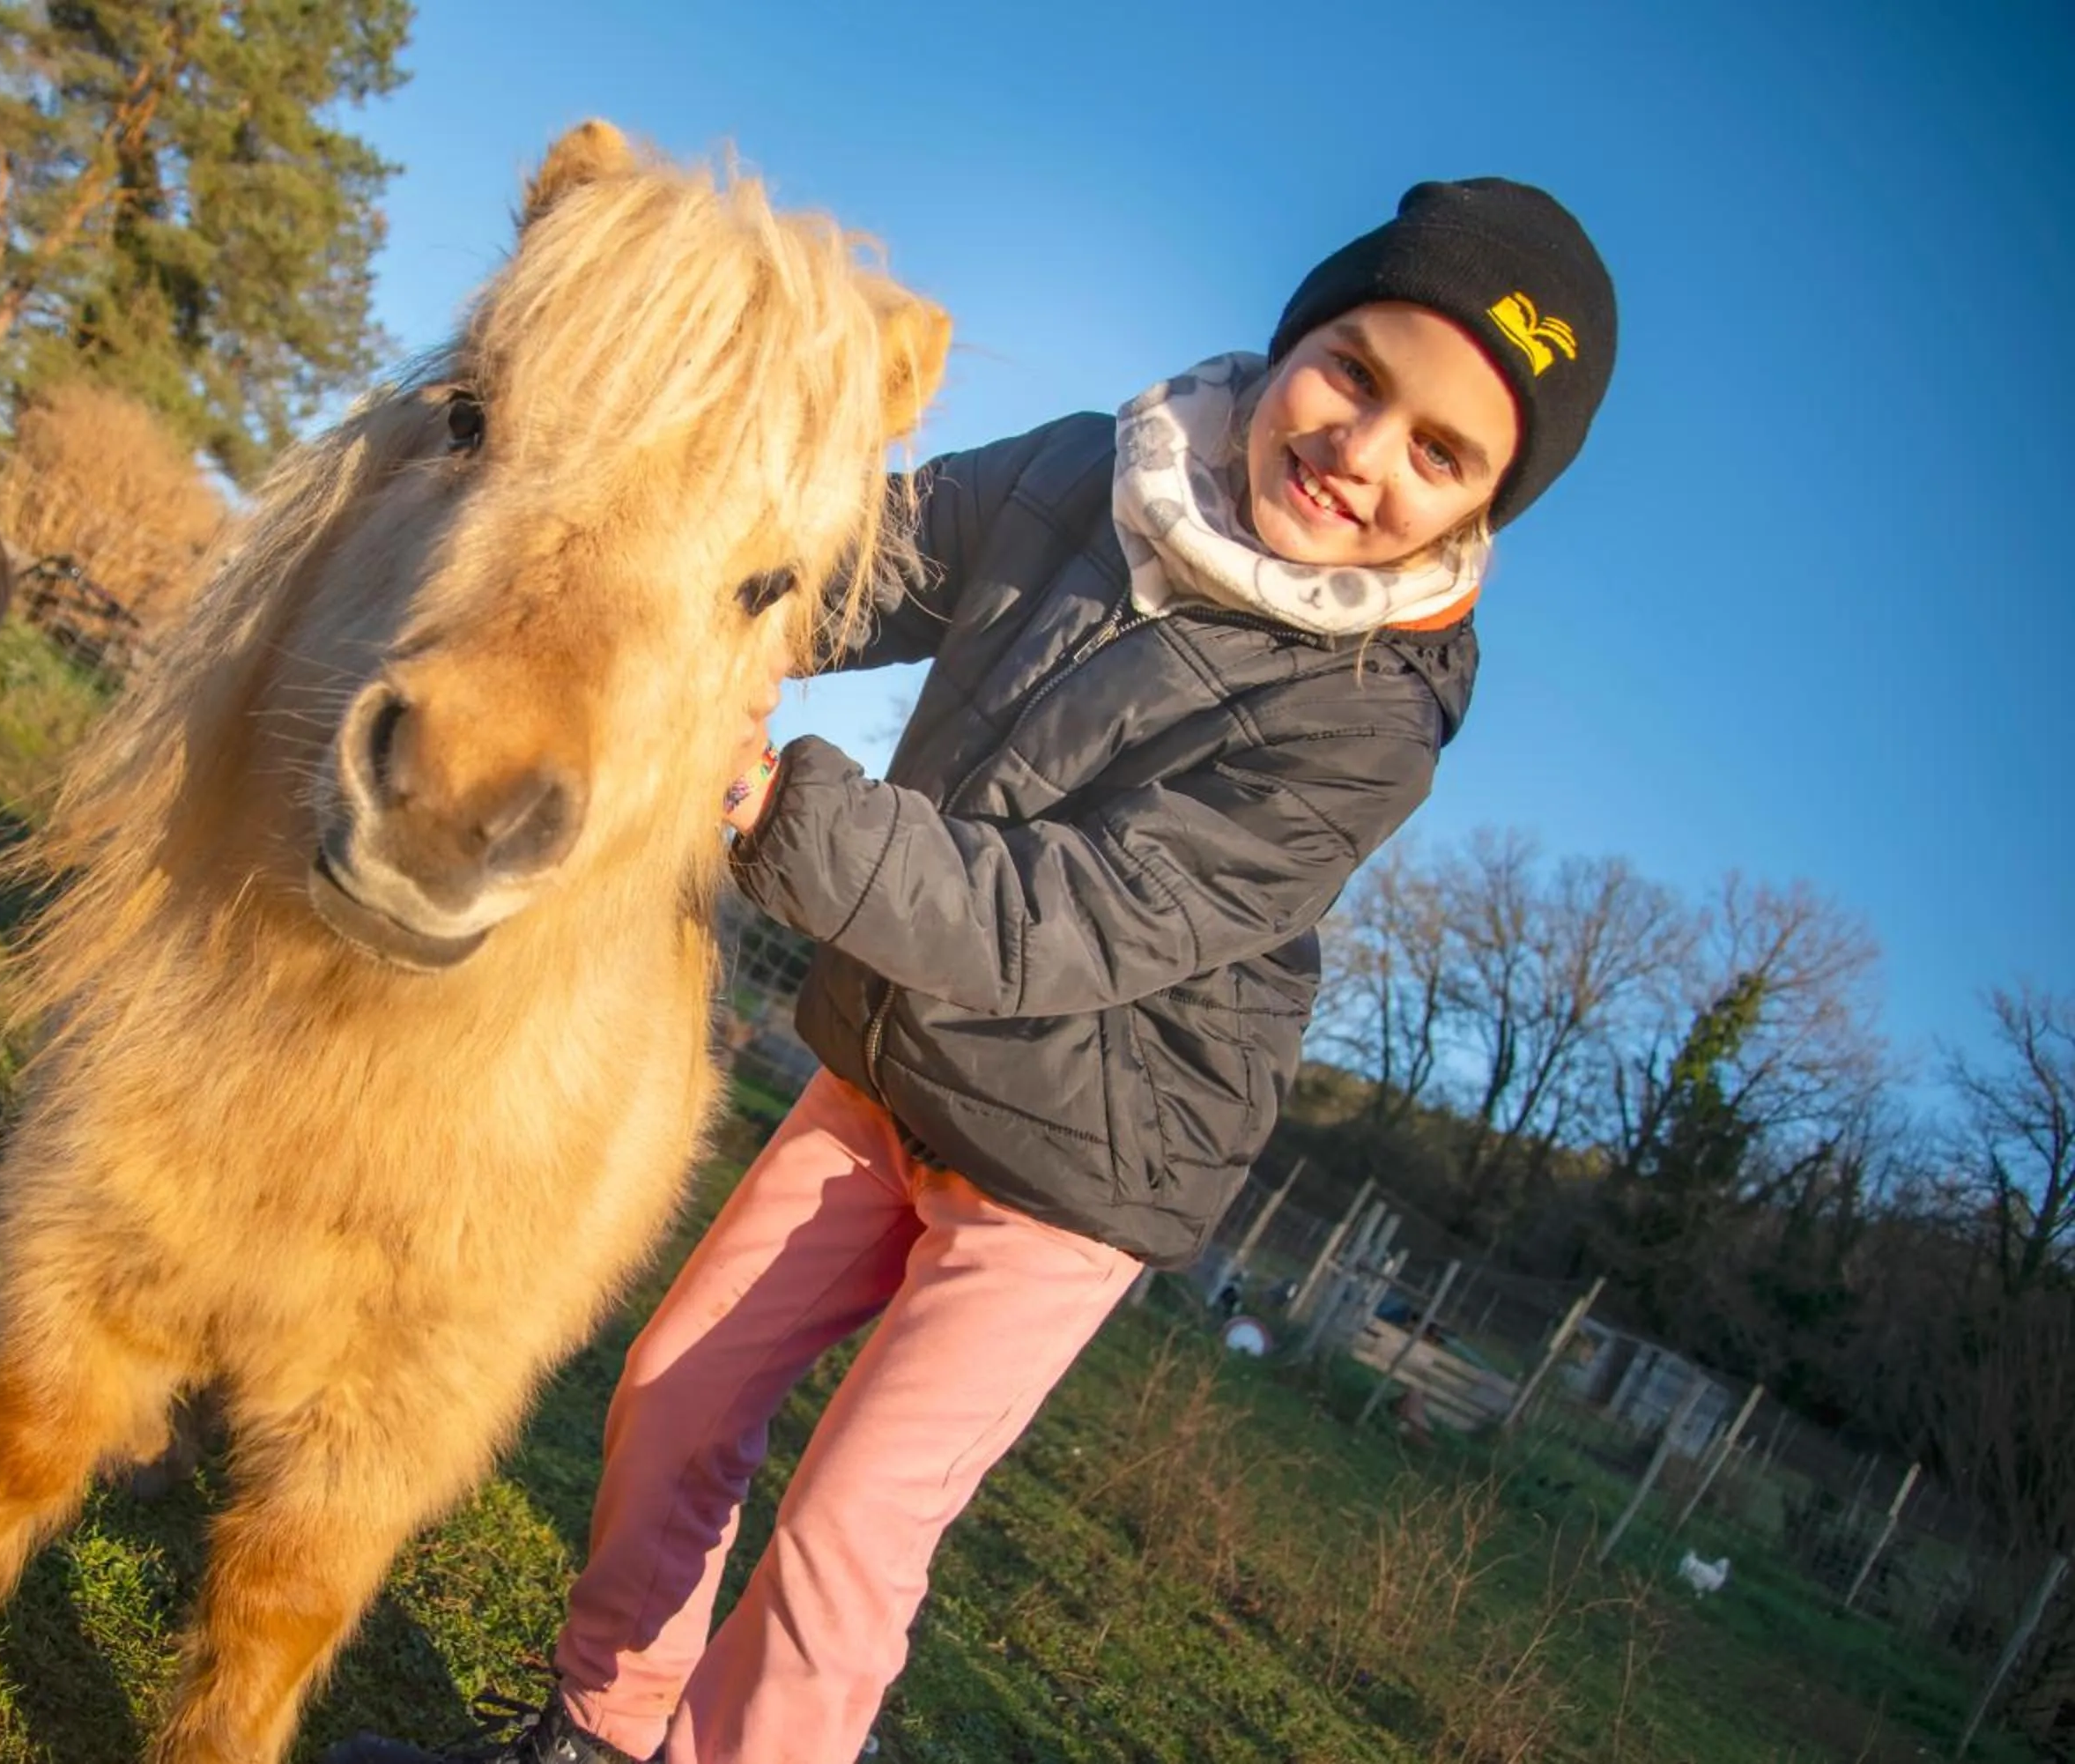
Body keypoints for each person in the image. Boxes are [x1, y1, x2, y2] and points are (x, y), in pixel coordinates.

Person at [339, 176, 1617, 1764]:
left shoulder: (1364, 723)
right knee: (672, 1394)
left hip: (1081, 1163)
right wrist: (653, 615)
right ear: (1299, 336)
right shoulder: (1094, 468)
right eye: (1356, 372)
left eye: (1442, 452)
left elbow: (1071, 917)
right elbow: (850, 565)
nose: (1361, 454)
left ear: (1483, 508)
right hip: (893, 1059)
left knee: (845, 1529)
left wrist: (777, 803)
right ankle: (593, 1738)